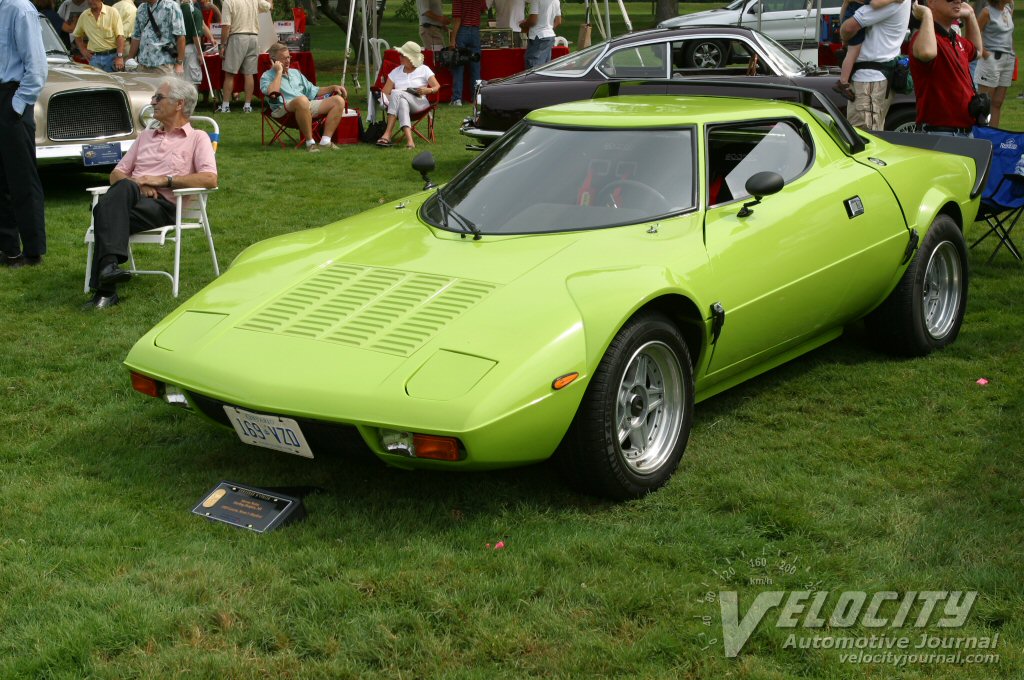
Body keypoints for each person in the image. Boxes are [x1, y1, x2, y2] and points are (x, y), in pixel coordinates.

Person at [86, 78, 217, 309]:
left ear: (179, 104)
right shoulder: (145, 136)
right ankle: (108, 279)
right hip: (130, 199)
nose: (152, 102)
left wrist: (163, 180)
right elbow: (116, 174)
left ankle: (105, 287)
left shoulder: (198, 138)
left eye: (158, 98)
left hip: (163, 206)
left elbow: (209, 178)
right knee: (122, 190)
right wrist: (139, 185)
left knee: (102, 209)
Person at [0, 0, 48, 269]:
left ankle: (32, 251)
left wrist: (17, 105)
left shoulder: (20, 8)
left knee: (22, 177)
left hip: (12, 98)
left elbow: (37, 66)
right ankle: (8, 249)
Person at [909, 0, 982, 135]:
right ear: (931, 2)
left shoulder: (955, 39)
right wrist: (927, 15)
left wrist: (971, 15)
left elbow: (977, 51)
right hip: (939, 133)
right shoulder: (923, 39)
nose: (958, 1)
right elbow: (926, 52)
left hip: (965, 132)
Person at [260, 42, 349, 152]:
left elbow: (314, 91)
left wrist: (333, 87)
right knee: (302, 100)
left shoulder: (295, 73)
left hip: (305, 105)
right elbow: (272, 93)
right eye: (283, 59)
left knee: (338, 101)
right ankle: (310, 143)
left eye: (288, 57)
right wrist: (278, 72)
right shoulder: (267, 76)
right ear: (274, 61)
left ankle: (325, 141)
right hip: (283, 110)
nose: (287, 61)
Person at [838, 0, 911, 130]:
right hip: (873, 78)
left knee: (865, 139)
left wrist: (844, 35)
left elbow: (847, 28)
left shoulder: (891, 2)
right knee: (870, 135)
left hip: (870, 81)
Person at [832, 0, 905, 100]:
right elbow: (875, 4)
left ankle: (843, 79)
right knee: (853, 53)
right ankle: (843, 82)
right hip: (869, 77)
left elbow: (846, 13)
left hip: (874, 74)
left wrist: (844, 36)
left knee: (851, 51)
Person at [376, 41, 441, 149]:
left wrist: (427, 90)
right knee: (401, 101)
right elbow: (385, 92)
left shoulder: (424, 69)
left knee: (397, 93)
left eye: (403, 55)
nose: (400, 57)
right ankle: (410, 141)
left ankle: (387, 134)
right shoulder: (396, 72)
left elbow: (437, 86)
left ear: (411, 58)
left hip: (419, 103)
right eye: (400, 54)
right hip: (400, 104)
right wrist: (392, 101)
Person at [217, 0, 270, 113]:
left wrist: (222, 45)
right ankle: (247, 105)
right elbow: (269, 6)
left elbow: (226, 26)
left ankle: (225, 106)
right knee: (249, 73)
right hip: (254, 37)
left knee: (230, 73)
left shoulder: (228, 2)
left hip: (237, 37)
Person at [974, 0, 1014, 127]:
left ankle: (993, 134)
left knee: (997, 102)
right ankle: (979, 135)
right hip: (991, 59)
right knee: (983, 103)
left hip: (1007, 60)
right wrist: (984, 53)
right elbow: (975, 32)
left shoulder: (1008, 9)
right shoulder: (987, 12)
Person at [126, 0, 186, 75]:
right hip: (142, 65)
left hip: (164, 65)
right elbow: (136, 37)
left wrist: (179, 63)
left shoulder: (172, 6)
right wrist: (130, 58)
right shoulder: (141, 8)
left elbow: (180, 36)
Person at [72, 0, 126, 72]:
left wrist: (119, 57)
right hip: (94, 58)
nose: (90, 1)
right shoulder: (84, 15)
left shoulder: (112, 12)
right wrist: (83, 51)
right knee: (95, 82)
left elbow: (120, 36)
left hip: (112, 57)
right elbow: (77, 35)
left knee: (111, 83)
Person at [449, 0, 483, 106]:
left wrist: (453, 38)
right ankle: (476, 98)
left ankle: (457, 98)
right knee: (475, 67)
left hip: (462, 31)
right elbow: (483, 10)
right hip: (475, 31)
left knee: (458, 65)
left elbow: (457, 19)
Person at [181, 0, 214, 85]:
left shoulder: (176, 9)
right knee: (192, 83)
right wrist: (200, 53)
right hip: (191, 48)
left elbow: (201, 24)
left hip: (178, 49)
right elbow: (196, 35)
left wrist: (211, 38)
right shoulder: (196, 11)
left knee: (180, 81)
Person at [521, 0, 560, 68]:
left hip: (538, 36)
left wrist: (523, 25)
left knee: (533, 68)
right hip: (549, 35)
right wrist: (548, 29)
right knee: (545, 68)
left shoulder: (536, 0)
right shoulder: (556, 1)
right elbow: (558, 21)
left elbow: (533, 21)